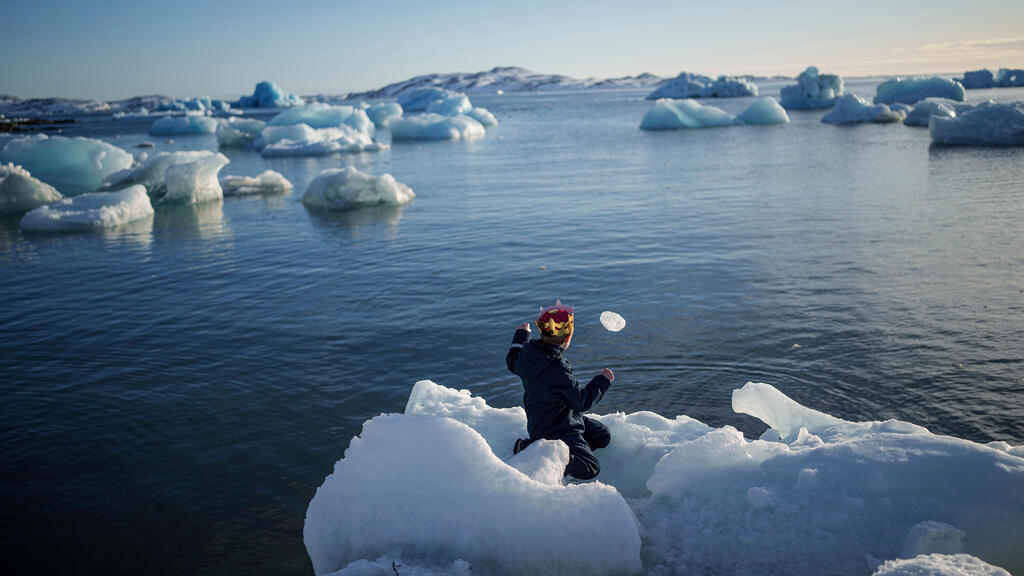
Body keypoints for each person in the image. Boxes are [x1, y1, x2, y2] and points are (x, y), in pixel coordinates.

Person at [505, 301, 615, 480]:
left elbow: (512, 360)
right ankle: (536, 450)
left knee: (602, 435)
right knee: (591, 467)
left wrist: (521, 334)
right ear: (567, 338)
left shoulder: (527, 356)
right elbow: (581, 402)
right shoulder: (558, 368)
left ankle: (571, 451)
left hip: (552, 418)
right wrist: (602, 382)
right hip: (557, 429)